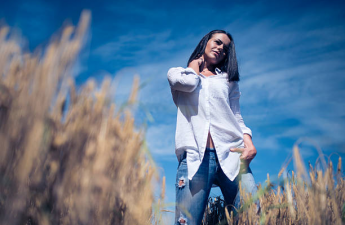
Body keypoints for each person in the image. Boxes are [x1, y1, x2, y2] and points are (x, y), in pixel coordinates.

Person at [167, 30, 258, 225]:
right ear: (205, 42)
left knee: (253, 215)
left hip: (232, 153)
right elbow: (189, 82)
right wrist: (194, 65)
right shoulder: (177, 74)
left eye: (225, 49)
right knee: (187, 222)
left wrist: (249, 143)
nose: (220, 48)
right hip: (195, 158)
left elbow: (236, 116)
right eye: (217, 42)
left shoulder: (228, 81)